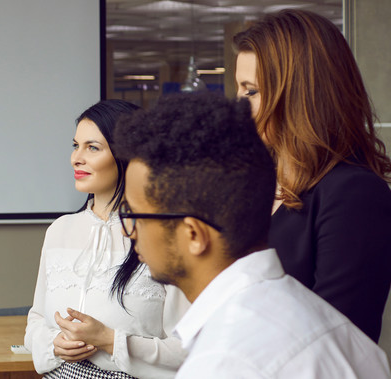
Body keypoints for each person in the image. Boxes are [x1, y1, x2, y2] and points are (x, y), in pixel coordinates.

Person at [113, 93, 389, 378]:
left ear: (193, 234)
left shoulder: (224, 362)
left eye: (134, 216)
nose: (126, 230)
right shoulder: (342, 333)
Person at [232, 8, 391, 341]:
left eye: (252, 91)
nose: (239, 105)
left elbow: (337, 338)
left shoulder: (354, 194)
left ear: (299, 94)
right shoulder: (253, 183)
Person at [25, 100, 187, 378]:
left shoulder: (168, 236)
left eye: (93, 148)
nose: (77, 158)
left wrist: (111, 341)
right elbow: (36, 320)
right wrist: (54, 344)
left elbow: (189, 346)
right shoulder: (59, 230)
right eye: (76, 145)